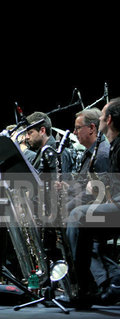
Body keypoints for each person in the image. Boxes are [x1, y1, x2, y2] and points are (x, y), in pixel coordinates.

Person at [65, 98, 120, 307]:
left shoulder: (113, 148)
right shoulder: (114, 146)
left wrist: (98, 188)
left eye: (102, 115)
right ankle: (94, 285)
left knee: (77, 215)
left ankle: (84, 289)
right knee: (80, 218)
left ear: (109, 120)